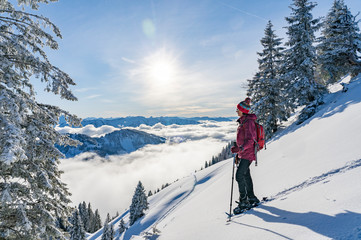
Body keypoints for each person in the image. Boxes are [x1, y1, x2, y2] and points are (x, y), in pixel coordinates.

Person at [231, 97, 260, 214]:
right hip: (244, 153)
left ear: (243, 111)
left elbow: (250, 140)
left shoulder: (248, 122)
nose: (236, 111)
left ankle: (244, 202)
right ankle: (251, 198)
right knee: (246, 175)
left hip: (248, 153)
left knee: (239, 176)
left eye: (238, 109)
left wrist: (240, 149)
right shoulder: (244, 121)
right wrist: (239, 152)